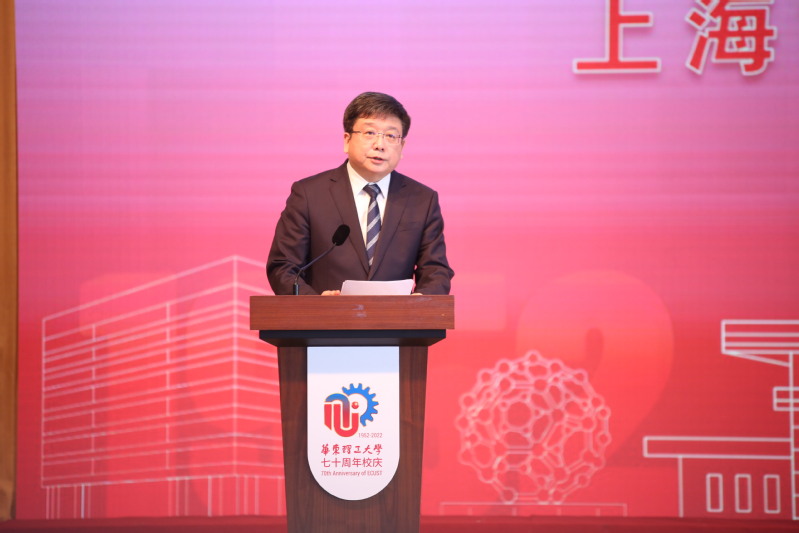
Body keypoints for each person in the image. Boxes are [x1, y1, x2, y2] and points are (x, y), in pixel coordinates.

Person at [267, 91, 454, 296]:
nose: (380, 145)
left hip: (396, 317)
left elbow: (436, 270)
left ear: (402, 146)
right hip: (327, 316)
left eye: (391, 136)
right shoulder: (309, 194)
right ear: (347, 140)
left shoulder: (422, 200)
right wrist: (315, 304)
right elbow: (283, 266)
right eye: (370, 133)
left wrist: (422, 302)